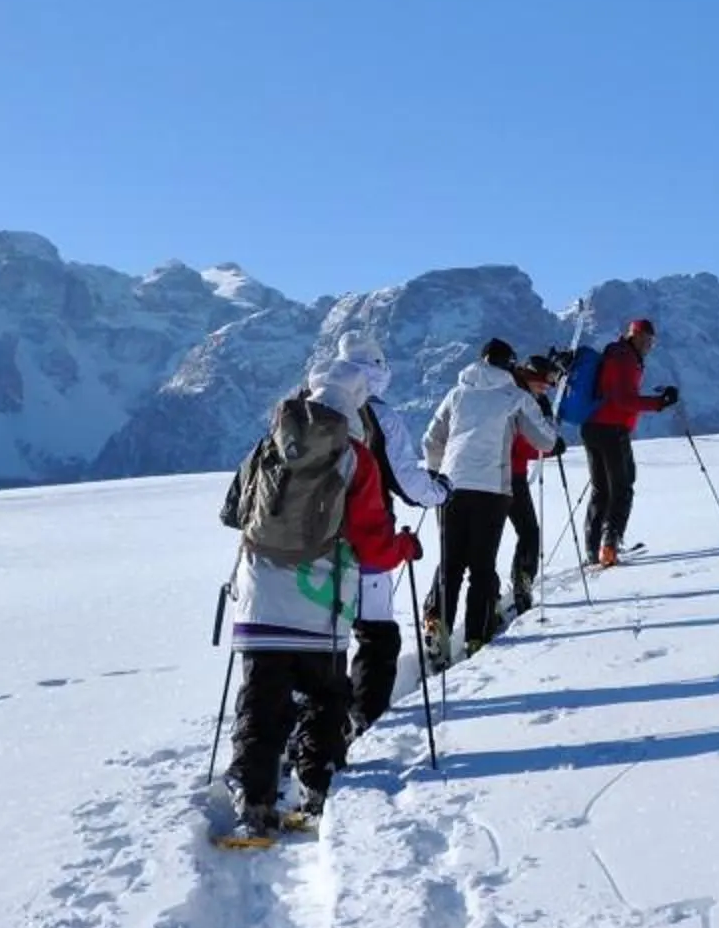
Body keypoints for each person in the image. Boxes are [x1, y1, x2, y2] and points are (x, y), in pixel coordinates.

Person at [225, 337, 440, 832]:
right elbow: (374, 546)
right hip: (321, 601)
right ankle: (315, 787)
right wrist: (405, 548)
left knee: (260, 697)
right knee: (325, 696)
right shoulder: (355, 457)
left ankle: (253, 799)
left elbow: (234, 510)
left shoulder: (267, 447)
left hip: (259, 596)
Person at [336, 336, 450, 741]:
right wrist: (439, 491)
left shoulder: (307, 407)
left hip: (307, 546)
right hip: (367, 541)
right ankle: (365, 722)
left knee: (326, 637)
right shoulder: (378, 415)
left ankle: (311, 726)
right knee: (376, 634)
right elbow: (408, 480)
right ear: (377, 371)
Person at [424, 338, 560, 657]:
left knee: (451, 563)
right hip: (491, 491)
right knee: (482, 566)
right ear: (510, 365)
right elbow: (544, 441)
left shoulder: (457, 393)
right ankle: (477, 636)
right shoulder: (514, 396)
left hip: (451, 488)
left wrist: (437, 475)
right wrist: (551, 428)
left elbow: (431, 441)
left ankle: (437, 627)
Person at [582, 316, 679, 568]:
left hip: (593, 426)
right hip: (612, 429)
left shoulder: (617, 354)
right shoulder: (625, 358)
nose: (649, 345)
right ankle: (609, 547)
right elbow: (624, 400)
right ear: (633, 335)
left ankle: (593, 548)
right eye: (646, 339)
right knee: (622, 487)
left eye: (652, 341)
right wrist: (659, 403)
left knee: (601, 489)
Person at [505, 351, 563, 617]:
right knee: (529, 531)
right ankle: (522, 582)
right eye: (544, 381)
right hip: (510, 476)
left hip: (490, 476)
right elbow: (519, 446)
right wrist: (548, 448)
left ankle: (516, 582)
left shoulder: (513, 392)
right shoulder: (521, 400)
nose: (548, 387)